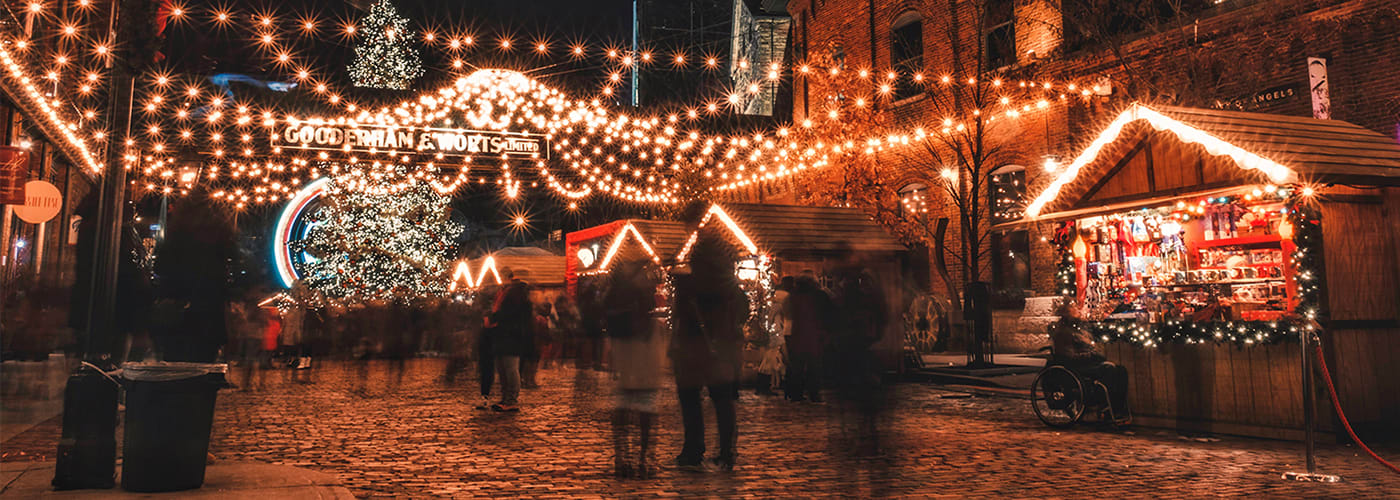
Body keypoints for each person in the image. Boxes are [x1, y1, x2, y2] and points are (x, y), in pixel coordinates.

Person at [669, 237, 749, 472]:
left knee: (691, 401)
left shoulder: (688, 283)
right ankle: (727, 451)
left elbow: (680, 316)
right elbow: (742, 313)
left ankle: (693, 449)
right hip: (721, 350)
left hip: (691, 348)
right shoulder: (729, 284)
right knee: (723, 402)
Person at [151, 196, 236, 363]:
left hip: (179, 312)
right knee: (203, 363)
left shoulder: (177, 236)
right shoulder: (218, 237)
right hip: (208, 313)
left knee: (176, 363)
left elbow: (160, 267)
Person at [605, 258, 665, 478]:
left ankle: (623, 457)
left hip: (622, 347)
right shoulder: (642, 287)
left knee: (623, 403)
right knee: (646, 406)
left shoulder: (616, 290)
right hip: (644, 345)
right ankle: (645, 458)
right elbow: (651, 309)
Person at [828, 247, 888, 456]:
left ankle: (860, 428)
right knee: (863, 389)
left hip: (854, 346)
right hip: (860, 345)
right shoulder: (863, 292)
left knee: (855, 388)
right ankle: (865, 428)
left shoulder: (850, 293)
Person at [1047, 302, 1130, 424]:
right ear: (1068, 314)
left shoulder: (1079, 329)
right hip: (1078, 367)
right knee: (1109, 369)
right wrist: (1092, 355)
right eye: (1074, 309)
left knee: (1121, 370)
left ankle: (1117, 407)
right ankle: (1107, 407)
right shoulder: (1064, 333)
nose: (1078, 311)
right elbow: (1069, 356)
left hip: (1087, 362)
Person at [486, 269, 533, 412]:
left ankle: (511, 399)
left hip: (511, 336)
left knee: (510, 369)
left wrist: (493, 318)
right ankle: (506, 398)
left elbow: (509, 314)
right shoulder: (509, 293)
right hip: (504, 335)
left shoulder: (516, 295)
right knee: (504, 369)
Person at [785, 273, 832, 402]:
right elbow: (827, 314)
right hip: (815, 334)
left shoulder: (793, 296)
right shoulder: (819, 296)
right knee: (814, 366)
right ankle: (814, 393)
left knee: (798, 367)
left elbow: (788, 313)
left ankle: (796, 393)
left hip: (798, 333)